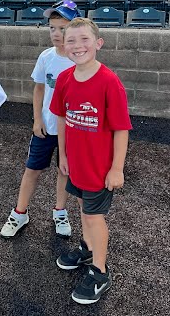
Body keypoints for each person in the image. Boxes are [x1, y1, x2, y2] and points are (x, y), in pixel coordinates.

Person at [50, 17, 131, 305]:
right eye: (71, 40)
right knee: (83, 208)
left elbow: (121, 128)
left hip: (99, 168)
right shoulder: (64, 79)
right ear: (63, 45)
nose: (77, 46)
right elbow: (62, 117)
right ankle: (86, 248)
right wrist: (64, 154)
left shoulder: (109, 82)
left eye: (84, 39)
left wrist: (117, 168)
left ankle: (100, 270)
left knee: (94, 217)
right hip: (77, 164)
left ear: (98, 43)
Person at [0, 0, 81, 239]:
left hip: (72, 130)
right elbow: (38, 90)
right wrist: (37, 120)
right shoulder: (46, 57)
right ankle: (20, 213)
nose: (56, 33)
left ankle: (60, 212)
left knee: (64, 171)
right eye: (52, 28)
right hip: (46, 127)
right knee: (32, 170)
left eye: (62, 28)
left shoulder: (80, 59)